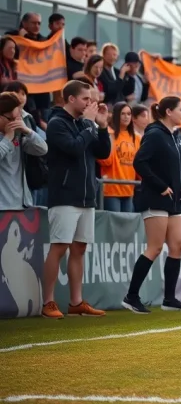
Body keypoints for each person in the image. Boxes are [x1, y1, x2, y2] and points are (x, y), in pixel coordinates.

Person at [41, 80, 111, 318]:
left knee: (79, 248)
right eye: (86, 99)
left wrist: (100, 127)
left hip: (85, 196)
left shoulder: (85, 124)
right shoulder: (56, 123)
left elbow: (103, 153)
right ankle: (48, 302)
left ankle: (76, 301)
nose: (90, 104)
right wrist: (90, 125)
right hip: (64, 195)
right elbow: (73, 148)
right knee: (59, 247)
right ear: (71, 99)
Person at [123, 96, 181, 313]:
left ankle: (169, 299)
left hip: (174, 200)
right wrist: (161, 186)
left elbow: (179, 166)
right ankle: (131, 296)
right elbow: (139, 162)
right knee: (155, 247)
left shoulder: (176, 137)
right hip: (155, 197)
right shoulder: (154, 134)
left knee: (178, 244)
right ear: (169, 112)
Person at [0, 92, 48, 210]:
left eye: (18, 118)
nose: (15, 123)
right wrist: (7, 139)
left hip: (20, 205)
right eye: (11, 119)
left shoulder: (19, 135)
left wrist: (28, 131)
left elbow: (42, 149)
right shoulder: (9, 136)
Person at [98, 102, 140, 213]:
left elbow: (139, 165)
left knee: (126, 228)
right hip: (111, 189)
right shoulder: (108, 134)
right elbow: (105, 161)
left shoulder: (137, 138)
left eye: (129, 114)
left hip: (130, 189)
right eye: (123, 114)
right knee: (113, 228)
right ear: (116, 115)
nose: (126, 117)